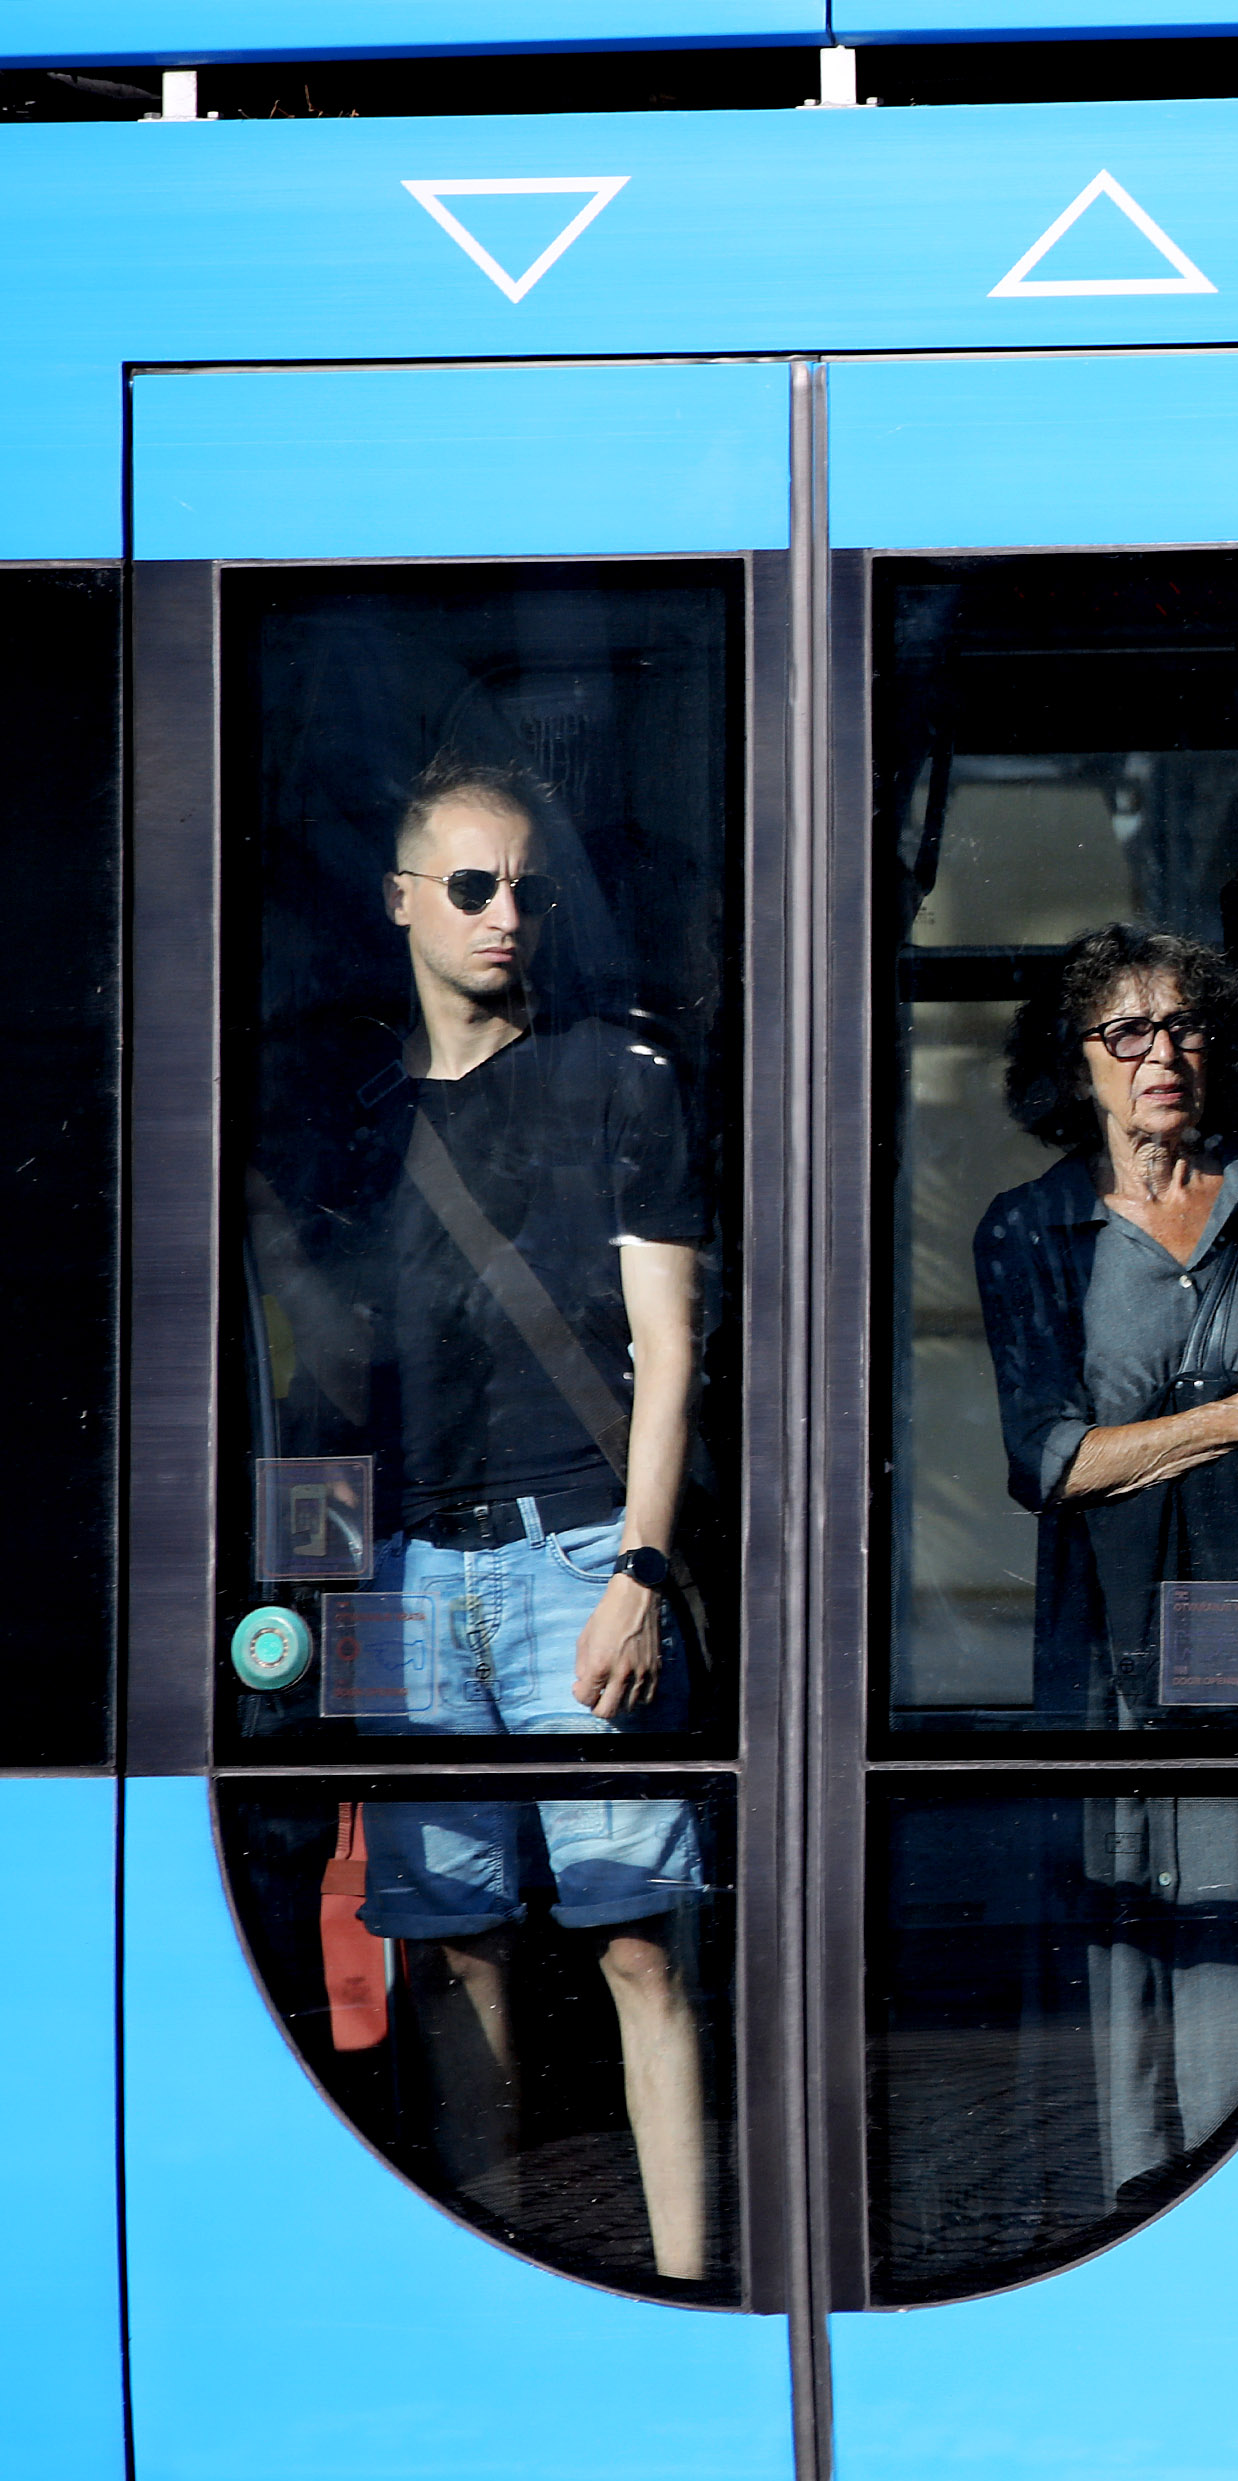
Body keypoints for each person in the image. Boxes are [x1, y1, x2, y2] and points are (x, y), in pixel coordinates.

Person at [248, 757, 716, 2282]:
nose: (505, 912)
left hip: (574, 1543)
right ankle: (503, 2285)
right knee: (452, 1947)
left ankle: (686, 2283)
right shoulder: (346, 1119)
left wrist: (641, 1564)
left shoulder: (614, 1079)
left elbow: (669, 1350)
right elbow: (315, 1369)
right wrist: (316, 1588)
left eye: (526, 885)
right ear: (401, 902)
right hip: (396, 1574)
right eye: (470, 884)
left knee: (637, 1936)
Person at [975, 923, 1238, 1731]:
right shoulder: (1029, 1229)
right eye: (1126, 1033)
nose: (1160, 1055)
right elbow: (1049, 1461)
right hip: (1114, 1641)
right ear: (1075, 1064)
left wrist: (1146, 1445)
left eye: (1182, 1027)